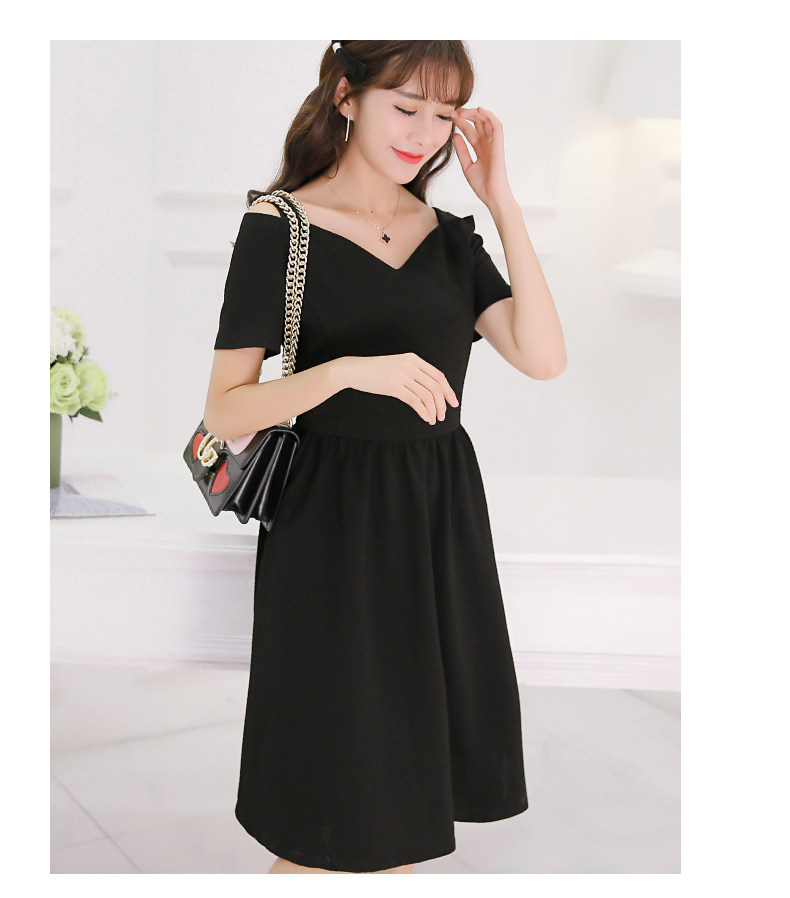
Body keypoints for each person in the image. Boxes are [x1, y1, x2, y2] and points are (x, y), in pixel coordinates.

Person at [203, 40, 566, 875]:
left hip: (439, 526)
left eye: (443, 115)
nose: (424, 133)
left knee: (396, 817)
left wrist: (502, 202)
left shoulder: (450, 238)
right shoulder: (280, 227)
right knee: (334, 820)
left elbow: (543, 357)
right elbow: (224, 410)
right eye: (405, 107)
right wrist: (344, 372)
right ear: (346, 97)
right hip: (331, 533)